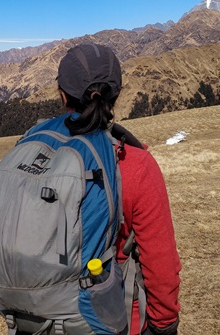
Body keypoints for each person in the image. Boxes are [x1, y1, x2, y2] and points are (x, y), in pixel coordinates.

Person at [56, 43, 181, 335]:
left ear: (63, 96)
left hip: (44, 315)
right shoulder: (135, 164)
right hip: (114, 320)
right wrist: (164, 326)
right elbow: (160, 263)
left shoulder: (37, 154)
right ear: (118, 94)